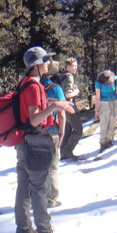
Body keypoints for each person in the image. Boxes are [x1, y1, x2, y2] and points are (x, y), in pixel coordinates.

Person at [15, 47, 74, 233]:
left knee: (24, 188)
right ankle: (44, 230)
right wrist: (55, 106)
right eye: (45, 60)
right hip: (35, 142)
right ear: (36, 66)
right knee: (40, 187)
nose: (49, 63)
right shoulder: (33, 86)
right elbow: (33, 119)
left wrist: (50, 102)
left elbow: (32, 108)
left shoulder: (28, 83)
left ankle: (24, 230)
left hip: (24, 142)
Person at [40, 61, 65, 209]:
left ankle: (37, 196)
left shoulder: (34, 87)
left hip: (36, 130)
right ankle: (52, 199)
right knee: (53, 167)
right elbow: (62, 113)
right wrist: (62, 132)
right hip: (52, 130)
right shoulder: (56, 89)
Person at [59, 58, 84, 160]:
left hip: (62, 107)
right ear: (67, 67)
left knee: (67, 130)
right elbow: (67, 94)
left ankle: (64, 153)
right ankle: (67, 151)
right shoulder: (69, 77)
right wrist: (76, 92)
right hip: (69, 107)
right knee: (78, 130)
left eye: (76, 66)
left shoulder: (62, 76)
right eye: (74, 66)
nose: (76, 68)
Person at [94, 70, 117, 152]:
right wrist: (96, 110)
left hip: (114, 101)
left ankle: (109, 140)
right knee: (104, 124)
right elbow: (97, 97)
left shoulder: (116, 79)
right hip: (103, 103)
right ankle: (102, 143)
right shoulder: (98, 83)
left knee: (112, 122)